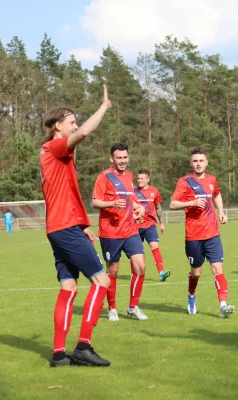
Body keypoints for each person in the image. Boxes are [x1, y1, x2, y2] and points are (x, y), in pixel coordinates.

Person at [40, 85, 112, 367]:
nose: (76, 126)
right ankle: (83, 346)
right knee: (101, 281)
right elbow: (83, 134)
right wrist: (103, 108)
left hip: (61, 227)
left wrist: (82, 224)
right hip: (64, 227)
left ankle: (59, 354)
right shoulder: (53, 146)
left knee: (68, 286)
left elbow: (66, 194)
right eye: (71, 121)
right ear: (59, 126)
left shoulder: (57, 154)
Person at [169, 147, 235, 318]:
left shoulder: (212, 179)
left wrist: (221, 211)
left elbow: (217, 194)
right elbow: (173, 204)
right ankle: (191, 295)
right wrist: (191, 203)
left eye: (201, 161)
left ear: (206, 162)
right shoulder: (185, 181)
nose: (198, 164)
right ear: (191, 163)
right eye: (195, 161)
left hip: (213, 233)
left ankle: (223, 305)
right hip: (193, 235)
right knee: (196, 273)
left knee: (217, 269)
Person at [92, 143, 147, 322]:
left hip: (130, 230)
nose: (122, 161)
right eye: (119, 158)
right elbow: (95, 202)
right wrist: (111, 204)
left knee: (140, 266)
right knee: (113, 271)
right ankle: (112, 308)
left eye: (125, 157)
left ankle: (133, 306)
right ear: (112, 159)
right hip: (111, 232)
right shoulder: (104, 176)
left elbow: (130, 198)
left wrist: (139, 208)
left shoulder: (129, 176)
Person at [134, 170, 170, 282]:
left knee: (155, 246)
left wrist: (162, 222)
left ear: (147, 179)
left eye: (142, 178)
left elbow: (158, 207)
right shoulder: (132, 191)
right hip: (136, 226)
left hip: (150, 225)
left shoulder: (154, 191)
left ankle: (161, 272)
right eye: (138, 178)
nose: (139, 180)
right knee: (136, 252)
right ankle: (135, 273)